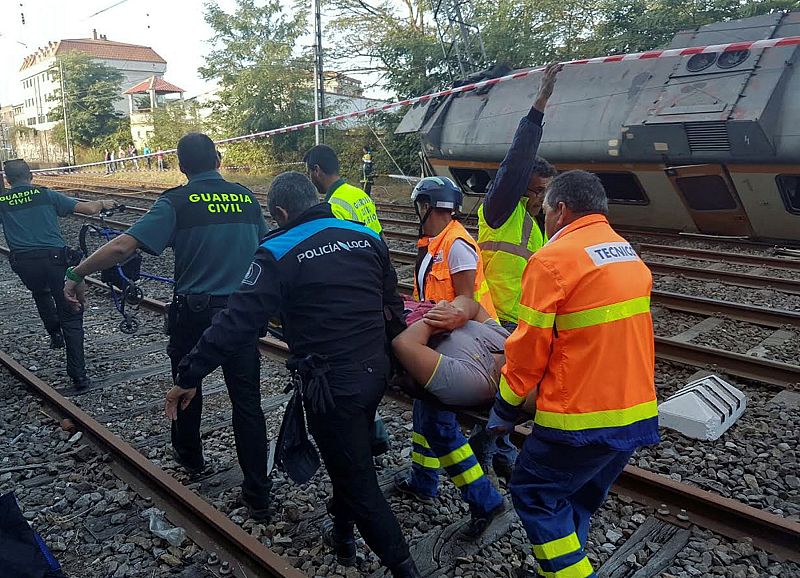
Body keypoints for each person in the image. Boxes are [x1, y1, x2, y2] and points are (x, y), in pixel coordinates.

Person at [161, 171, 420, 576]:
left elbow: (236, 323)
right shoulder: (365, 236)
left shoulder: (277, 250)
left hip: (331, 387)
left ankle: (404, 567)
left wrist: (189, 373)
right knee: (346, 456)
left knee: (360, 483)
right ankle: (342, 535)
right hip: (375, 374)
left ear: (281, 212)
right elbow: (392, 308)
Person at [63, 133, 272, 519]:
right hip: (240, 316)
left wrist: (77, 272)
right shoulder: (245, 198)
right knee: (248, 404)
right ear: (219, 160)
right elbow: (264, 247)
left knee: (187, 384)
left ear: (181, 165)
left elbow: (123, 248)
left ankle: (191, 456)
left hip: (194, 313)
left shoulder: (177, 201)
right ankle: (259, 493)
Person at [487, 170, 660, 578]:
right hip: (633, 412)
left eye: (544, 212)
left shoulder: (552, 260)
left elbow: (527, 351)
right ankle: (564, 567)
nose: (543, 221)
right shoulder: (626, 252)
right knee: (576, 497)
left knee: (535, 494)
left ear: (560, 210)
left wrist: (505, 407)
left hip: (578, 418)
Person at [394, 175, 503, 538]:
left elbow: (466, 301)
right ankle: (424, 481)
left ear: (427, 206)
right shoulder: (437, 241)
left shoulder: (456, 245)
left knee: (438, 427)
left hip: (463, 351)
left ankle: (484, 500)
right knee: (426, 420)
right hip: (444, 342)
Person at [476, 62, 561, 482]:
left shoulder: (534, 223)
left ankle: (499, 445)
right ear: (523, 185)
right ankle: (492, 446)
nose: (543, 199)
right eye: (538, 190)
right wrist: (539, 107)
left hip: (522, 320)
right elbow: (514, 164)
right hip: (494, 317)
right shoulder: (499, 209)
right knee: (500, 390)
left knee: (512, 391)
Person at [0, 159, 115, 390]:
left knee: (40, 292)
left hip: (23, 264)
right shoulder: (46, 195)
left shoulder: (2, 201)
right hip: (54, 260)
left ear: (8, 180)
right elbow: (88, 209)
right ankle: (79, 377)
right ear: (31, 175)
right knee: (71, 312)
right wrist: (103, 202)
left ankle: (54, 334)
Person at [392, 300, 508, 409]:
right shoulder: (508, 343)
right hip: (401, 305)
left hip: (387, 320)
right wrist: (458, 312)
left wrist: (439, 319)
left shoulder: (473, 385)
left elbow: (403, 344)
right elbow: (475, 306)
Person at [304, 144, 382, 234]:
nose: (310, 178)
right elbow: (380, 235)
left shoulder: (332, 208)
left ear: (317, 170)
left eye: (309, 173)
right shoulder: (360, 194)